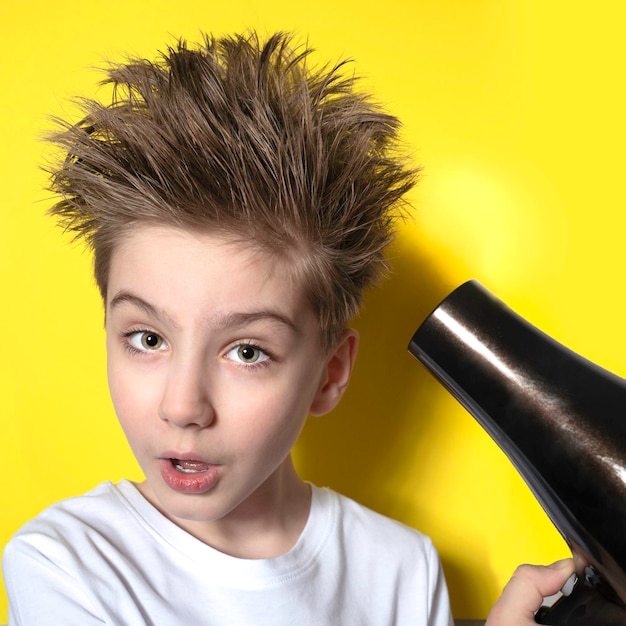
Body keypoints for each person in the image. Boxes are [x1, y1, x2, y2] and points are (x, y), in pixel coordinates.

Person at [2, 31, 573, 624]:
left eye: (247, 351)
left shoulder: (401, 569)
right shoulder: (66, 564)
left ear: (329, 374)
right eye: (148, 339)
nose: (183, 406)